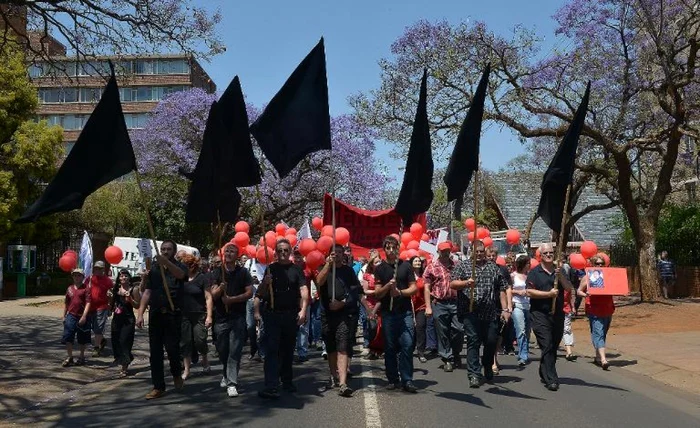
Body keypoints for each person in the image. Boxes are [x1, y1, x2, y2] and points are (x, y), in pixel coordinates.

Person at [450, 240, 510, 388]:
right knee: (473, 341)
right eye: (476, 251)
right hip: (470, 312)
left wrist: (505, 309)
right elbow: (452, 283)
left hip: (489, 312)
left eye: (481, 251)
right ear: (471, 251)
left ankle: (488, 365)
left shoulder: (493, 267)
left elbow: (502, 288)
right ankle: (474, 374)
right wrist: (465, 283)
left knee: (491, 341)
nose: (479, 254)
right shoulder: (463, 266)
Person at [255, 239, 309, 399]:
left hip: (290, 315)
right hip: (272, 314)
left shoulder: (296, 270)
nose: (283, 253)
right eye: (280, 251)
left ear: (290, 252)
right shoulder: (270, 269)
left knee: (287, 350)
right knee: (272, 350)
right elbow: (262, 292)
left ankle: (287, 381)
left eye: (286, 250)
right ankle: (271, 385)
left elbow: (303, 290)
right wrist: (266, 283)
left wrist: (303, 310)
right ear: (276, 253)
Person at [136, 240, 187, 400]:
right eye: (163, 249)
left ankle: (176, 374)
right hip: (156, 314)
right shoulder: (155, 270)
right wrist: (140, 313)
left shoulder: (179, 267)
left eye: (168, 249)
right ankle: (158, 386)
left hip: (173, 314)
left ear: (174, 251)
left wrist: (166, 263)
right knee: (155, 353)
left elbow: (181, 276)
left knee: (172, 350)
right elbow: (147, 292)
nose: (165, 251)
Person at [373, 235, 419, 393]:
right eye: (388, 248)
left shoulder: (406, 266)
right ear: (384, 249)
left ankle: (407, 379)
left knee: (407, 345)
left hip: (404, 312)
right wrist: (387, 287)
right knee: (390, 347)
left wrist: (400, 292)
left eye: (394, 247)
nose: (391, 251)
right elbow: (377, 293)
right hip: (388, 314)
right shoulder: (380, 269)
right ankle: (393, 378)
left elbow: (414, 288)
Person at [526, 242, 574, 392]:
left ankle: (544, 369)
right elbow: (529, 292)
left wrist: (560, 277)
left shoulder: (559, 271)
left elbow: (568, 288)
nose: (548, 255)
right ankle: (552, 378)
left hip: (557, 314)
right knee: (546, 344)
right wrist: (548, 294)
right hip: (539, 314)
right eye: (545, 253)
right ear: (540, 256)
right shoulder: (534, 273)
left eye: (551, 253)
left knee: (552, 346)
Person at [316, 243, 363, 397]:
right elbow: (319, 282)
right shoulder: (324, 268)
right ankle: (334, 375)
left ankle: (343, 382)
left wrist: (342, 303)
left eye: (339, 252)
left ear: (344, 255)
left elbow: (355, 291)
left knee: (343, 346)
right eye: (333, 252)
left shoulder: (348, 271)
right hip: (326, 314)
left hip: (343, 314)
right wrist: (328, 265)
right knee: (331, 348)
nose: (336, 255)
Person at [210, 244, 253, 397]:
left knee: (234, 351)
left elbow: (249, 293)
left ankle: (232, 383)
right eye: (226, 251)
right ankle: (226, 373)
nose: (228, 254)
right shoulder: (217, 272)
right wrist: (221, 288)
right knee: (223, 351)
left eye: (232, 252)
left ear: (237, 255)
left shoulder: (243, 272)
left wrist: (232, 300)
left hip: (238, 318)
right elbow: (213, 295)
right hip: (221, 318)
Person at [424, 241, 462, 372]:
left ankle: (456, 352)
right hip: (439, 303)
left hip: (455, 302)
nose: (446, 253)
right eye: (443, 251)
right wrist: (428, 306)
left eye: (447, 251)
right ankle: (447, 358)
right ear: (438, 252)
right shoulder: (431, 267)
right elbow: (427, 287)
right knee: (442, 332)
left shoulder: (457, 265)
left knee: (459, 329)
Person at [578, 256, 615, 370]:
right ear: (593, 265)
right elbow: (579, 291)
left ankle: (598, 357)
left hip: (607, 308)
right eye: (597, 264)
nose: (600, 266)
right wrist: (586, 294)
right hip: (594, 309)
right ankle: (604, 360)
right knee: (598, 332)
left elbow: (615, 287)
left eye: (602, 264)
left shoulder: (608, 276)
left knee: (602, 333)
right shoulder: (587, 277)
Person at [180, 253, 213, 380]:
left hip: (199, 315)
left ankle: (204, 357)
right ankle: (187, 369)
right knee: (185, 342)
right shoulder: (180, 278)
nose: (185, 267)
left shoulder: (202, 278)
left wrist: (209, 316)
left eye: (187, 265)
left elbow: (208, 297)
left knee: (200, 340)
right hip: (184, 315)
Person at [486, 247, 513, 375]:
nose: (491, 258)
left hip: (499, 305)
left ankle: (494, 357)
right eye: (489, 255)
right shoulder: (482, 269)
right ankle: (491, 359)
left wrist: (508, 306)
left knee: (499, 333)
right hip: (486, 306)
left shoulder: (503, 270)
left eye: (493, 255)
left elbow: (508, 288)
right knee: (489, 335)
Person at [61, 268, 92, 367]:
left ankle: (81, 357)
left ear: (83, 277)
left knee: (82, 338)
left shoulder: (86, 288)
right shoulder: (69, 288)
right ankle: (70, 357)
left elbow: (88, 303)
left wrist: (84, 316)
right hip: (71, 315)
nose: (77, 277)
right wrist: (64, 315)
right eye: (75, 275)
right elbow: (66, 303)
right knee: (68, 336)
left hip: (82, 316)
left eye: (79, 275)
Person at [110, 269, 137, 376]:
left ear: (129, 278)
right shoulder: (115, 289)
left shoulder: (133, 289)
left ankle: (124, 367)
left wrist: (129, 298)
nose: (123, 278)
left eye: (126, 276)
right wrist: (109, 298)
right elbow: (111, 306)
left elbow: (137, 305)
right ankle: (125, 358)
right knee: (115, 341)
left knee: (124, 342)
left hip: (128, 319)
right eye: (121, 276)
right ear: (118, 278)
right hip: (117, 318)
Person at [243, 254, 266, 361]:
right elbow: (244, 279)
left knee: (263, 327)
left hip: (263, 300)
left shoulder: (268, 264)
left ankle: (262, 350)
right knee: (250, 326)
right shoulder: (249, 263)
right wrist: (251, 280)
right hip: (250, 300)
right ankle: (253, 347)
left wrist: (260, 282)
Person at [89, 260, 113, 357]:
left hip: (102, 307)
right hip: (90, 307)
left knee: (99, 328)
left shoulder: (107, 281)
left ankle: (96, 348)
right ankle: (102, 341)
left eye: (100, 268)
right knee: (94, 328)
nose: (97, 270)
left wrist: (110, 307)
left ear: (103, 269)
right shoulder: (89, 279)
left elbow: (112, 295)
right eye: (96, 268)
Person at [510, 256, 531, 366]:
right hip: (517, 304)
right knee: (521, 330)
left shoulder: (530, 276)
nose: (530, 265)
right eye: (528, 263)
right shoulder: (513, 276)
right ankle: (522, 355)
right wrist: (518, 292)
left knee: (527, 331)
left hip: (529, 305)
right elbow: (508, 290)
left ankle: (525, 350)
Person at [361, 254, 383, 360]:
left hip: (382, 303)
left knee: (382, 327)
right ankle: (372, 349)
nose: (378, 264)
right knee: (372, 327)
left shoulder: (384, 274)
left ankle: (380, 349)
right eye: (376, 262)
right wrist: (376, 291)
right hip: (370, 304)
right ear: (371, 264)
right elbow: (365, 290)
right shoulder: (367, 275)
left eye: (380, 262)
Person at [293, 249, 312, 363]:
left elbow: (317, 281)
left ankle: (303, 352)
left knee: (303, 327)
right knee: (292, 327)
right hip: (291, 303)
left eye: (299, 256)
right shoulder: (290, 267)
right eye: (295, 256)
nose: (297, 258)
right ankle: (290, 350)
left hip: (306, 302)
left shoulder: (308, 268)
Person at [410, 256, 429, 363]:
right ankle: (410, 348)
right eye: (415, 261)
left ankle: (421, 351)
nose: (417, 262)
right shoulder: (408, 276)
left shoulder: (424, 276)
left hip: (421, 306)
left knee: (421, 327)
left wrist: (428, 306)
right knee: (411, 328)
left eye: (419, 261)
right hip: (409, 305)